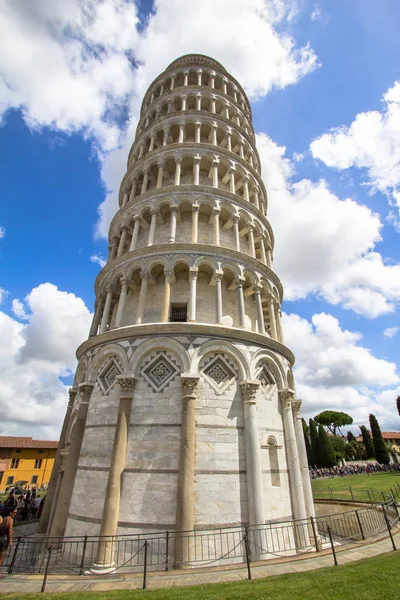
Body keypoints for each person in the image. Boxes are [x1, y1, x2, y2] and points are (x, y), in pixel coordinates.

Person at [0, 508, 17, 578]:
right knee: (1, 557)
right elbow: (9, 531)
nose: (15, 514)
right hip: (3, 540)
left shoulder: (5, 518)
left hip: (1, 537)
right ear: (10, 512)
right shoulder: (10, 519)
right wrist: (10, 540)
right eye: (14, 512)